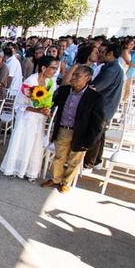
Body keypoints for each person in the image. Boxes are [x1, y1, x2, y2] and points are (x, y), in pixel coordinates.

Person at [41, 65, 105, 193]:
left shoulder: (95, 97)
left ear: (87, 78)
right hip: (63, 129)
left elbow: (97, 122)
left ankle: (66, 182)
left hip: (81, 133)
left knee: (74, 160)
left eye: (78, 75)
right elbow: (52, 102)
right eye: (74, 74)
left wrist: (90, 140)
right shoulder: (64, 90)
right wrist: (46, 107)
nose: (74, 77)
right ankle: (55, 179)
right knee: (59, 157)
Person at [0, 56, 58, 181]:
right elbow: (19, 105)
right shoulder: (30, 82)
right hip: (27, 118)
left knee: (35, 143)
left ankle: (29, 170)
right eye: (53, 68)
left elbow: (48, 100)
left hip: (40, 118)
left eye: (56, 69)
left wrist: (46, 110)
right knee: (24, 141)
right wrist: (37, 110)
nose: (55, 71)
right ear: (43, 68)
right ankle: (16, 168)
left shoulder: (50, 82)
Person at [83, 43, 124, 170]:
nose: (99, 54)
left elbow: (95, 87)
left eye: (101, 51)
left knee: (94, 135)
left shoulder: (112, 70)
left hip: (103, 107)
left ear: (110, 54)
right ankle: (96, 161)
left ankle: (89, 162)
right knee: (99, 136)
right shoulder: (111, 67)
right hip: (105, 107)